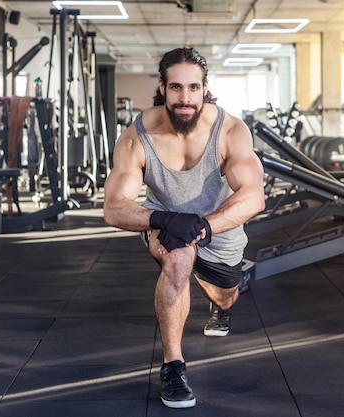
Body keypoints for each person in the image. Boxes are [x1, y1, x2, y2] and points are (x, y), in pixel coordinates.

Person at [103, 47, 266, 409]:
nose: (185, 98)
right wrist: (162, 219)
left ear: (206, 87)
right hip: (167, 223)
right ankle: (173, 366)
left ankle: (221, 306)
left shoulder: (230, 130)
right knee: (177, 260)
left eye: (193, 88)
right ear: (162, 87)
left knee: (225, 294)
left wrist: (205, 226)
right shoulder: (136, 136)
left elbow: (254, 197)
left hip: (219, 225)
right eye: (176, 88)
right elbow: (113, 208)